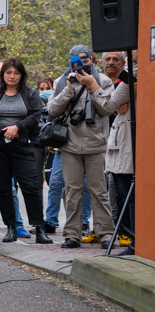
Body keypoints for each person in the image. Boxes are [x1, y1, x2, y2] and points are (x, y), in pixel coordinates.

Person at [47, 46, 114, 249]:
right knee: (73, 191)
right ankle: (72, 235)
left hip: (97, 143)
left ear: (92, 60)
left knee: (99, 191)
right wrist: (68, 89)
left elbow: (107, 108)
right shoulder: (61, 81)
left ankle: (106, 234)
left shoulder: (103, 81)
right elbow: (52, 109)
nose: (81, 63)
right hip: (70, 145)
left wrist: (91, 85)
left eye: (85, 59)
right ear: (69, 61)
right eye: (76, 60)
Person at [0, 58, 51, 244]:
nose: (12, 76)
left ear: (21, 75)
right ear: (2, 74)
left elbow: (36, 116)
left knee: (30, 187)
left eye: (16, 73)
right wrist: (5, 130)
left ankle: (39, 228)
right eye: (8, 73)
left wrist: (17, 128)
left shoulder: (29, 93)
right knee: (4, 189)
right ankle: (11, 227)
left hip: (23, 145)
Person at [91, 59, 135, 254]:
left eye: (116, 60)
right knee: (117, 193)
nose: (112, 63)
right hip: (117, 147)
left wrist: (92, 85)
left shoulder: (133, 77)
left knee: (127, 194)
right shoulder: (129, 79)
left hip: (125, 147)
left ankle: (133, 240)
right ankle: (128, 234)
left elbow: (107, 105)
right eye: (107, 59)